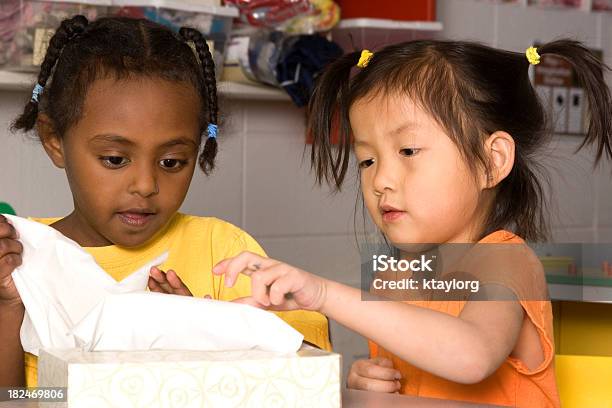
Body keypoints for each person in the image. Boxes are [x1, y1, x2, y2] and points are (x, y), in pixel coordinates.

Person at [213, 40, 611, 407]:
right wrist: (367, 381)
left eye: (408, 150)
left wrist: (322, 294)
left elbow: (470, 356)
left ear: (492, 161)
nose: (380, 180)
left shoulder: (505, 259)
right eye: (367, 160)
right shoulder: (394, 279)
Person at [0, 15, 330, 388]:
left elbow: (305, 374)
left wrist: (205, 331)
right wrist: (9, 308)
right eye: (115, 159)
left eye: (171, 162)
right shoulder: (19, 261)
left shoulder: (226, 255)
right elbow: (14, 398)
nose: (145, 185)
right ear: (54, 140)